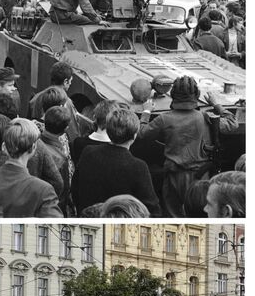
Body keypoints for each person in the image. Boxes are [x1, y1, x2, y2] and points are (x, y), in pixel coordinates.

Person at [138, 76, 239, 217]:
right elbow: (232, 124)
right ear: (196, 95)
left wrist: (146, 112)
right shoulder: (206, 117)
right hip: (200, 177)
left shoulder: (164, 118)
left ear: (173, 95)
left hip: (174, 176)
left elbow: (142, 133)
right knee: (200, 212)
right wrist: (216, 104)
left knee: (172, 214)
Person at [72, 108, 161, 216]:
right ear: (134, 136)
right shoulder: (138, 167)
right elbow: (151, 208)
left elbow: (75, 187)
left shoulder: (88, 152)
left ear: (108, 132)